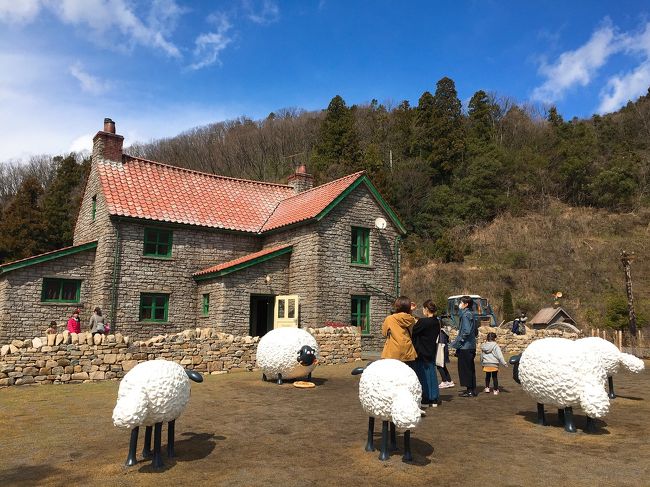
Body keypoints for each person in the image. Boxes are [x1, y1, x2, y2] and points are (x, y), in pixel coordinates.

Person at [412, 300, 441, 407]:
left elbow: (413, 332)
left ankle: (426, 398)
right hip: (431, 350)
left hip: (421, 351)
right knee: (432, 375)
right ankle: (434, 398)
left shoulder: (423, 322)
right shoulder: (436, 322)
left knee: (423, 376)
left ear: (426, 309)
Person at [450, 296, 477, 397]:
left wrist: (458, 342)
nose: (459, 304)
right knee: (470, 368)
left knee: (465, 369)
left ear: (466, 304)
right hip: (471, 345)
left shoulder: (466, 315)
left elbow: (466, 331)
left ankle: (470, 390)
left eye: (461, 302)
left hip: (465, 347)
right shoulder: (471, 314)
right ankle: (472, 389)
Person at [381, 296, 417, 369]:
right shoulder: (411, 319)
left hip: (392, 353)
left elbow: (384, 333)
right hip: (408, 352)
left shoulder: (390, 319)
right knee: (407, 375)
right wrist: (411, 310)